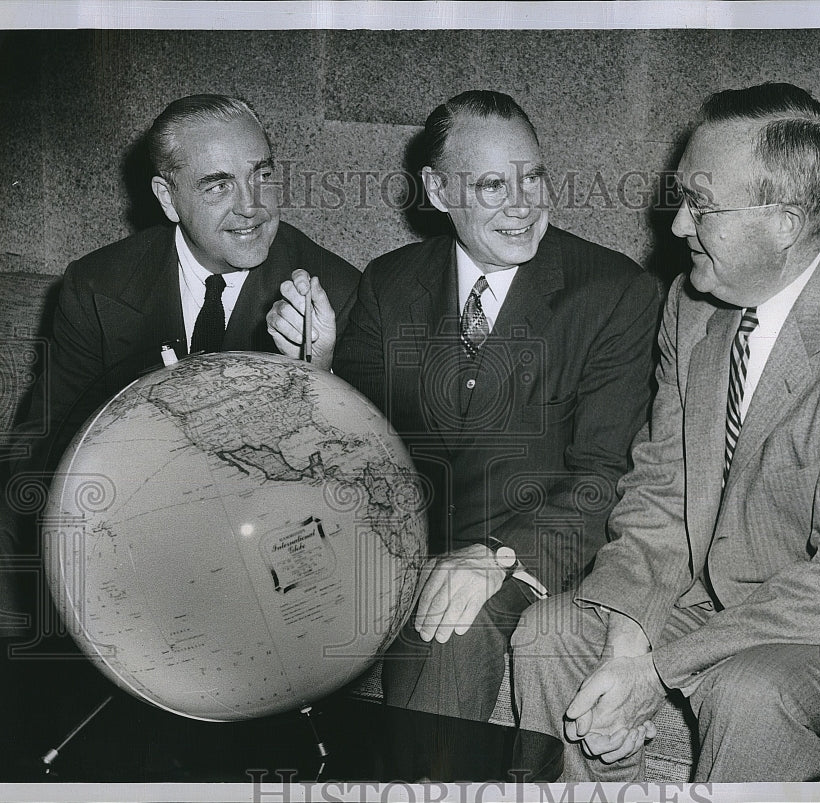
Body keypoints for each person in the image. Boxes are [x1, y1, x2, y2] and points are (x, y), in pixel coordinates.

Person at [510, 82, 820, 783]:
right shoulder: (692, 302)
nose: (678, 226)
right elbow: (661, 487)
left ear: (784, 221)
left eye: (701, 206)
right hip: (726, 584)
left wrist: (655, 670)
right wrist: (627, 634)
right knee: (548, 633)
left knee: (745, 689)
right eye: (681, 197)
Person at [268, 89, 661, 779]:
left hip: (528, 557)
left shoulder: (614, 293)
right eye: (491, 185)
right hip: (397, 551)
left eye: (533, 176)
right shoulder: (391, 283)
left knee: (448, 625)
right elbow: (359, 450)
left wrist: (496, 556)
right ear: (437, 189)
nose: (523, 203)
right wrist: (318, 371)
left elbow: (606, 478)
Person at [0, 93, 360, 780]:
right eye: (218, 184)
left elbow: (364, 495)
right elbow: (31, 455)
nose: (252, 206)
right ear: (167, 196)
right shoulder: (98, 287)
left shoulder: (333, 289)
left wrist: (318, 384)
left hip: (269, 576)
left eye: (263, 174)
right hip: (125, 553)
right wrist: (133, 442)